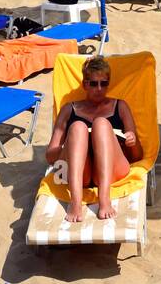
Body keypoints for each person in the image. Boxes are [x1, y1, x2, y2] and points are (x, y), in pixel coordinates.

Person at [45, 56, 142, 223]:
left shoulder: (120, 106)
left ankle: (105, 199)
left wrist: (132, 141)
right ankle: (76, 201)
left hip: (111, 171)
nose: (99, 88)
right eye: (93, 83)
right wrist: (72, 144)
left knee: (101, 124)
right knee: (78, 127)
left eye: (103, 83)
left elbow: (136, 156)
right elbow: (50, 157)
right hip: (80, 173)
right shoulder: (69, 109)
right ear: (85, 84)